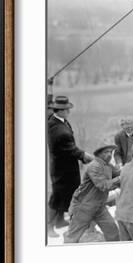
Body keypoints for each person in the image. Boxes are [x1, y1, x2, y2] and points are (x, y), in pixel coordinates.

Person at [47, 96, 94, 238]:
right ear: (60, 111)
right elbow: (72, 150)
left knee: (67, 193)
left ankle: (60, 221)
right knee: (57, 196)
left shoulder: (58, 121)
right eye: (67, 109)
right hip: (62, 170)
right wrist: (89, 157)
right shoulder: (58, 130)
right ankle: (49, 227)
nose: (69, 112)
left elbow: (70, 148)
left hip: (64, 166)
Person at [64, 142, 120, 243]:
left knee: (113, 232)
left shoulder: (108, 166)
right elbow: (103, 185)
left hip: (99, 207)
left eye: (110, 152)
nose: (109, 154)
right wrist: (120, 179)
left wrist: (129, 169)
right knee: (72, 237)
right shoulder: (94, 166)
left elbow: (119, 174)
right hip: (84, 207)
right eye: (106, 152)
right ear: (98, 154)